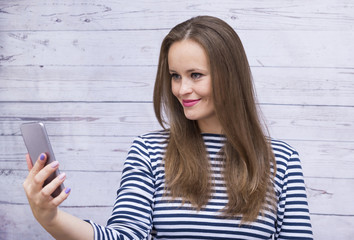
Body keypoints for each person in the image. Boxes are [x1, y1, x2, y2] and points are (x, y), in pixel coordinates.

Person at [23, 16, 313, 239]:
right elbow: (125, 236)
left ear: (231, 76)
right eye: (175, 76)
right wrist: (50, 218)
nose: (182, 89)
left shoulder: (282, 160)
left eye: (195, 75)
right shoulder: (149, 151)